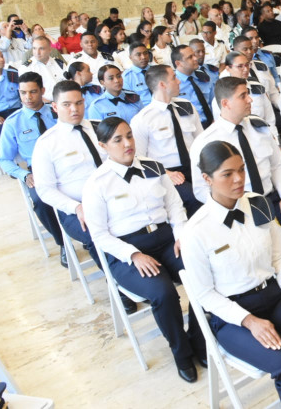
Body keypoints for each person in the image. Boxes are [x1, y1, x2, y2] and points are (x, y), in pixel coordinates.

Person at [180, 141, 281, 408]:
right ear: (206, 179)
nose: (238, 179)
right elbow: (204, 294)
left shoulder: (257, 203)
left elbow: (280, 257)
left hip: (275, 297)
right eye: (227, 174)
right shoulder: (195, 231)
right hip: (233, 317)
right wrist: (249, 321)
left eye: (241, 170)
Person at [82, 117, 205, 383]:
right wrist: (133, 255)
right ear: (103, 146)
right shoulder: (97, 183)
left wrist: (180, 235)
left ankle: (198, 338)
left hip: (166, 238)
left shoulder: (153, 166)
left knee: (201, 274)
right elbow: (99, 235)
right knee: (163, 293)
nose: (127, 143)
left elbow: (174, 207)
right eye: (118, 140)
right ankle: (181, 352)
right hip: (127, 251)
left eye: (129, 136)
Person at [189, 77, 281, 299]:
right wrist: (233, 205)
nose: (251, 100)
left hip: (272, 199)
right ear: (225, 103)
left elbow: (276, 164)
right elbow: (200, 190)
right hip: (240, 208)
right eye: (243, 95)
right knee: (254, 252)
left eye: (249, 93)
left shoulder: (259, 126)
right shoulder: (206, 142)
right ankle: (270, 291)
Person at [32, 80, 107, 269]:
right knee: (97, 235)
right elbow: (45, 190)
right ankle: (119, 284)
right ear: (55, 107)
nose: (74, 109)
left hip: (113, 196)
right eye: (67, 105)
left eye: (79, 103)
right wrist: (76, 207)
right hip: (77, 208)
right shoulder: (47, 143)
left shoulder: (102, 129)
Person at [0, 71, 65, 264]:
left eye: (33, 92)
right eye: (23, 92)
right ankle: (63, 243)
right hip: (37, 171)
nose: (28, 97)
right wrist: (24, 174)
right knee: (40, 201)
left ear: (42, 90)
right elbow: (4, 159)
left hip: (65, 164)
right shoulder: (13, 122)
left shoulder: (56, 111)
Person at [130, 64, 203, 217]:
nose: (179, 81)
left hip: (195, 166)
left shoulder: (186, 106)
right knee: (194, 198)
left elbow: (201, 140)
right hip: (168, 171)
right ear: (162, 84)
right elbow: (139, 158)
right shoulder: (143, 119)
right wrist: (166, 173)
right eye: (174, 78)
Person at [220, 52, 277, 135]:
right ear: (228, 69)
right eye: (240, 66)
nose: (246, 69)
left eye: (247, 65)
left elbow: (270, 119)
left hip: (264, 136)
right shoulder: (223, 95)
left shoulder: (257, 87)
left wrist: (275, 140)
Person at [172, 45, 214, 128]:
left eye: (194, 55)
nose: (195, 58)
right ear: (178, 63)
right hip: (190, 128)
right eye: (190, 57)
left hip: (212, 124)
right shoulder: (173, 83)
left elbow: (214, 102)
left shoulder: (203, 77)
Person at [0, 47, 20, 138]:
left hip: (17, 110)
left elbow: (22, 93)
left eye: (2, 56)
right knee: (2, 133)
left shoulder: (13, 73)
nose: (2, 59)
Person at [121, 42, 153, 107]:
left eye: (145, 53)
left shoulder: (157, 70)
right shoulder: (127, 77)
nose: (143, 57)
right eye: (138, 55)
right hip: (142, 111)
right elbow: (129, 102)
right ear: (130, 57)